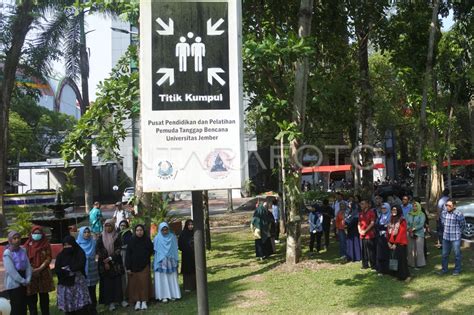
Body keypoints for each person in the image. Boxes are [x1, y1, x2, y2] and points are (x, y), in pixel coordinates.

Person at [55, 236, 91, 314]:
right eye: (65, 245)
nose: (67, 247)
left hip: (78, 283)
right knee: (68, 307)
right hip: (65, 283)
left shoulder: (80, 252)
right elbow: (57, 268)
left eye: (69, 245)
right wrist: (64, 272)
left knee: (81, 307)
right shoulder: (60, 255)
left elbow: (81, 264)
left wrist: (71, 268)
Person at [96, 219, 126, 311]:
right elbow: (99, 250)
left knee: (117, 282)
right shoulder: (101, 237)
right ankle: (110, 302)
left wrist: (110, 259)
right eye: (106, 226)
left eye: (110, 226)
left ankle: (120, 300)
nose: (108, 228)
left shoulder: (117, 236)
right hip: (105, 264)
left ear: (113, 226)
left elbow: (118, 249)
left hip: (115, 262)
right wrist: (105, 261)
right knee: (108, 283)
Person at [25, 226, 54, 315]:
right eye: (35, 233)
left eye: (39, 233)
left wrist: (39, 269)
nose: (36, 235)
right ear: (31, 234)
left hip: (43, 273)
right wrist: (32, 270)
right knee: (32, 299)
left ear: (42, 234)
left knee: (44, 298)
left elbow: (48, 258)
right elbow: (24, 259)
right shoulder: (27, 245)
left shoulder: (46, 244)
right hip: (31, 275)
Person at [3, 231, 32, 315]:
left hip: (24, 280)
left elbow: (28, 266)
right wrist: (23, 281)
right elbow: (11, 271)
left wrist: (28, 278)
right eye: (14, 238)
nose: (17, 240)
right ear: (10, 240)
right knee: (16, 306)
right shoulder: (7, 253)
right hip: (14, 283)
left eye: (18, 238)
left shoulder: (23, 250)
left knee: (23, 305)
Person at [125, 224, 154, 310]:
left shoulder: (147, 240)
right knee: (135, 284)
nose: (139, 232)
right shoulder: (131, 240)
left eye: (141, 230)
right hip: (133, 267)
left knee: (144, 283)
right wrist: (128, 267)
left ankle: (144, 301)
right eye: (137, 230)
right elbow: (128, 255)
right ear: (135, 231)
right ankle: (137, 301)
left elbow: (151, 251)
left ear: (143, 231)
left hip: (144, 265)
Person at [153, 222, 181, 302]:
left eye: (166, 229)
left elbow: (175, 249)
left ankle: (173, 294)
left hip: (171, 261)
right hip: (161, 262)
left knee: (171, 277)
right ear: (160, 230)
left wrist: (175, 259)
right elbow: (156, 252)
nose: (165, 231)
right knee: (162, 278)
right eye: (163, 230)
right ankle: (163, 296)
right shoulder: (157, 238)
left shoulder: (172, 237)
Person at [439, 199, 466, 275]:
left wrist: (459, 232)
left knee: (457, 254)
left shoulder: (458, 214)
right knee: (444, 254)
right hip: (446, 237)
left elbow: (463, 225)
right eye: (446, 205)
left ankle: (457, 269)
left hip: (455, 238)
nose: (447, 207)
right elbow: (442, 223)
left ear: (454, 206)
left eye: (449, 205)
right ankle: (444, 269)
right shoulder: (443, 213)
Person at [76, 227, 99, 315]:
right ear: (81, 233)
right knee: (83, 291)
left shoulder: (93, 242)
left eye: (88, 232)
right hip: (82, 270)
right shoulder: (77, 244)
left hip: (92, 269)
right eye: (84, 232)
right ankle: (85, 309)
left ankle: (93, 309)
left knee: (92, 290)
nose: (86, 234)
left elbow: (97, 253)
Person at [387, 205, 410, 281]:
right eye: (393, 210)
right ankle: (398, 276)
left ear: (399, 210)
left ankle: (406, 276)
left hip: (400, 243)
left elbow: (401, 233)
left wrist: (395, 244)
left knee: (402, 260)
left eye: (395, 210)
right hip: (392, 243)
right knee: (395, 260)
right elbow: (388, 231)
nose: (394, 211)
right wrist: (388, 241)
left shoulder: (402, 220)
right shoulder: (391, 219)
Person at [406, 201, 426, 269]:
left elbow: (421, 224)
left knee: (418, 249)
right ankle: (411, 264)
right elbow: (406, 223)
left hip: (419, 233)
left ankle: (419, 264)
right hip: (410, 233)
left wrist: (414, 228)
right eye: (413, 206)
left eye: (416, 206)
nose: (414, 207)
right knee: (410, 249)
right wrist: (409, 229)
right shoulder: (409, 214)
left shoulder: (421, 214)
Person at [178, 220, 196, 292]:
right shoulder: (183, 234)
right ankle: (188, 286)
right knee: (187, 270)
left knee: (195, 269)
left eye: (192, 224)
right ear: (186, 225)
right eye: (189, 225)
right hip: (186, 255)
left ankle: (195, 285)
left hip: (194, 254)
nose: (191, 226)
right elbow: (180, 245)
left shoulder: (195, 233)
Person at [358, 199, 376, 270]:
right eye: (361, 204)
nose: (361, 205)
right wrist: (360, 230)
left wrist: (365, 231)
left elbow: (372, 223)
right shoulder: (360, 213)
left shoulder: (371, 212)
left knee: (371, 251)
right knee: (364, 250)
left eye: (362, 203)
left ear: (367, 205)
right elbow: (359, 223)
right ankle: (365, 264)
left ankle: (373, 265)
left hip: (369, 234)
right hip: (362, 234)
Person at [118, 220, 133, 305]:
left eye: (124, 225)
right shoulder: (118, 235)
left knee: (127, 275)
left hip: (127, 256)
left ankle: (129, 294)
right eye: (121, 225)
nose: (122, 227)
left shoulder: (129, 234)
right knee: (122, 276)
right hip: (119, 256)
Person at [375, 203, 391, 275]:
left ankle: (387, 269)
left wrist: (382, 227)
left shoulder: (390, 217)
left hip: (387, 237)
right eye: (382, 208)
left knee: (387, 253)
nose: (383, 210)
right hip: (380, 237)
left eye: (384, 208)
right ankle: (380, 269)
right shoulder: (380, 216)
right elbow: (377, 225)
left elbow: (388, 227)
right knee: (380, 253)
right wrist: (383, 226)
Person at [345, 196, 361, 262]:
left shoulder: (356, 212)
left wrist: (348, 223)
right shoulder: (350, 212)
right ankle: (351, 256)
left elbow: (354, 219)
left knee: (355, 242)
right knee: (351, 243)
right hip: (350, 229)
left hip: (354, 229)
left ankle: (356, 257)